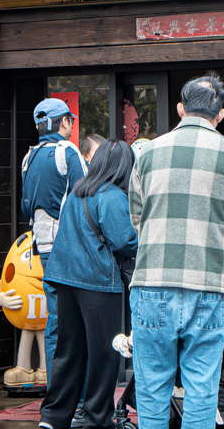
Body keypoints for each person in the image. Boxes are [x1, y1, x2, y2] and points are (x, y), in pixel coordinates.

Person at [128, 73, 224, 429]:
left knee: (151, 388)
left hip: (152, 282)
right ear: (220, 115)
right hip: (210, 285)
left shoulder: (147, 154)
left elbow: (136, 219)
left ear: (180, 109)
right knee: (201, 386)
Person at [39, 140, 138, 429]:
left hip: (64, 279)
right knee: (103, 355)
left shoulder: (79, 190)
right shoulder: (113, 196)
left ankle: (53, 417)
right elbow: (125, 241)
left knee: (69, 351)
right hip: (97, 283)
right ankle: (98, 418)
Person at [19, 97, 87, 385]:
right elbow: (87, 198)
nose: (71, 125)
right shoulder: (68, 152)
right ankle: (79, 398)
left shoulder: (29, 157)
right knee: (79, 322)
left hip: (42, 246)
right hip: (69, 246)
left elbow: (26, 206)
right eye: (69, 119)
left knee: (55, 320)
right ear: (63, 122)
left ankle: (55, 391)